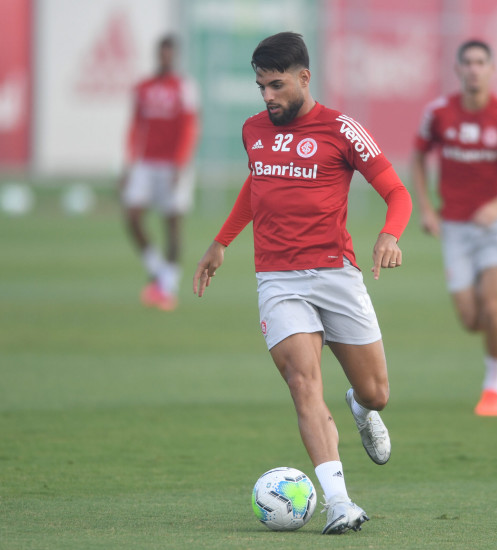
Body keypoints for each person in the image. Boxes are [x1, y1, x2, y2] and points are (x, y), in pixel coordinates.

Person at [192, 32, 412, 534]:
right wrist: (222, 241)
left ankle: (360, 408)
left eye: (276, 85)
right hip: (278, 279)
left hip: (336, 275)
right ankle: (339, 503)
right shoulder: (254, 130)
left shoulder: (342, 129)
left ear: (304, 78)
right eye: (260, 87)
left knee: (377, 392)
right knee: (302, 382)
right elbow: (258, 182)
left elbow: (397, 192)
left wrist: (389, 234)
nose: (267, 97)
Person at [412, 40, 497, 417]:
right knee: (472, 320)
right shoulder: (439, 113)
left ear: (491, 69)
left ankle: (493, 388)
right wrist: (426, 209)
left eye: (480, 62)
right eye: (467, 62)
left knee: (491, 302)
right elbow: (418, 157)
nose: (474, 69)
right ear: (458, 69)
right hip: (454, 227)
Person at [120, 35, 199, 311]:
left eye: (169, 53)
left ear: (175, 56)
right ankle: (157, 270)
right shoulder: (143, 87)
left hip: (173, 163)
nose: (165, 57)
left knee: (172, 222)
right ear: (157, 55)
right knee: (132, 215)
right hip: (146, 162)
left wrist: (180, 162)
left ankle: (168, 287)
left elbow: (189, 127)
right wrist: (129, 163)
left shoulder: (184, 87)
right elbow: (135, 125)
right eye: (162, 53)